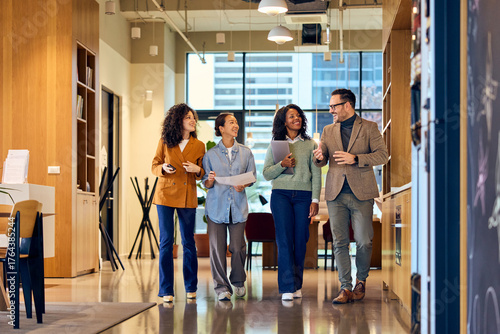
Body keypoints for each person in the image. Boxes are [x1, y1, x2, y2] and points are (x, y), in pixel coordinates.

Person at [313, 89, 388, 304]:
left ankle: (361, 280)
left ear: (347, 105)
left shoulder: (370, 127)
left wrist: (355, 158)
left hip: (362, 193)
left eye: (334, 106)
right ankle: (345, 287)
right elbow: (322, 160)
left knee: (364, 240)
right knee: (340, 242)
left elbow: (382, 155)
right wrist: (318, 157)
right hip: (335, 193)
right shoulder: (327, 130)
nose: (330, 110)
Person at [263, 104, 321, 302]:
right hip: (280, 195)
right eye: (291, 116)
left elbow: (317, 174)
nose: (296, 118)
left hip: (304, 197)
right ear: (283, 121)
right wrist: (282, 165)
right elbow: (266, 174)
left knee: (300, 240)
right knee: (285, 240)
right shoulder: (276, 145)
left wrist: (315, 200)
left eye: (298, 116)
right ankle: (287, 287)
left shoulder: (311, 144)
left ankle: (297, 285)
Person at [151, 103, 205, 303]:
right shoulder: (165, 141)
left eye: (193, 117)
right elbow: (154, 164)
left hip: (187, 194)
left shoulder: (199, 145)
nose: (192, 120)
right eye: (188, 117)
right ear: (178, 121)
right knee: (166, 242)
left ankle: (191, 286)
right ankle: (166, 290)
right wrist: (163, 167)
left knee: (188, 243)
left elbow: (203, 174)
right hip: (165, 194)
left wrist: (196, 170)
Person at [202, 113, 256, 301]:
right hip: (216, 207)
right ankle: (221, 288)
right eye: (231, 122)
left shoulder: (246, 152)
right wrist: (209, 180)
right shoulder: (210, 154)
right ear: (221, 129)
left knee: (238, 247)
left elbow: (252, 177)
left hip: (238, 207)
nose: (236, 125)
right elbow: (206, 184)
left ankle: (238, 281)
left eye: (236, 122)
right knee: (217, 249)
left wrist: (244, 185)